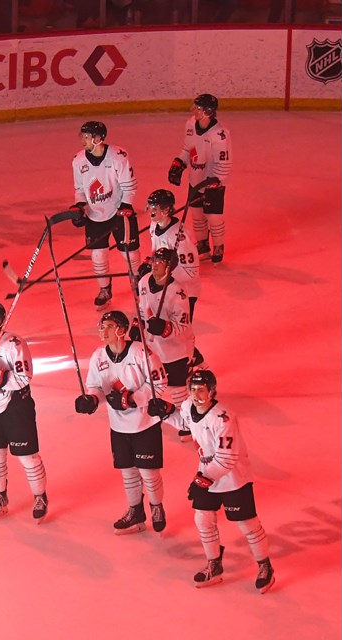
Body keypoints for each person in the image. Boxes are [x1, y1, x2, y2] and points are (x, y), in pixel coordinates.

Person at [148, 370, 275, 593]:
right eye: (193, 389)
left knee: (247, 524)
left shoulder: (223, 418)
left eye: (202, 390)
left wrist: (202, 481)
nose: (196, 394)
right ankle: (214, 564)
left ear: (212, 391)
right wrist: (167, 413)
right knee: (203, 519)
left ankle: (265, 565)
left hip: (234, 478)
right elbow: (186, 422)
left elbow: (227, 458)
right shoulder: (188, 406)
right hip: (207, 473)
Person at [74, 310, 168, 534]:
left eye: (108, 326)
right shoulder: (98, 356)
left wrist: (132, 399)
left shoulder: (140, 352)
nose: (103, 330)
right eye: (102, 326)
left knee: (148, 472)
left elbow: (160, 382)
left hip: (145, 423)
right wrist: (92, 399)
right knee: (128, 471)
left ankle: (156, 507)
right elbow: (95, 385)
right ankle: (135, 510)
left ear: (122, 330)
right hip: (118, 426)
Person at [0, 302, 49, 522]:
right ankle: (0, 497)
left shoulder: (14, 344)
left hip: (17, 406)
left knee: (27, 457)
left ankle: (40, 496)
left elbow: (25, 378)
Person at [68, 120, 140, 311]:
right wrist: (80, 207)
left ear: (98, 139)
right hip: (95, 216)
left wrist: (126, 206)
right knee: (98, 256)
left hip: (119, 212)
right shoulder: (78, 161)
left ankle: (138, 284)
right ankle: (105, 290)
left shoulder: (118, 157)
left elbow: (129, 186)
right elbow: (80, 189)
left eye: (87, 136)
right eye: (82, 136)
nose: (83, 140)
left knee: (129, 254)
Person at [133, 247, 196, 442]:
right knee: (150, 380)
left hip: (175, 348)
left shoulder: (178, 292)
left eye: (160, 262)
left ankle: (185, 421)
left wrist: (165, 328)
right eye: (154, 261)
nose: (155, 265)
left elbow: (183, 323)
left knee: (177, 387)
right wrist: (138, 326)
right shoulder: (144, 282)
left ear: (170, 268)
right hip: (152, 347)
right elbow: (141, 309)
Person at [144, 188, 206, 372]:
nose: (150, 211)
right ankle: (193, 359)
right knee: (166, 327)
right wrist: (150, 266)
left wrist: (169, 273)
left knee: (182, 329)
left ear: (166, 210)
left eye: (154, 207)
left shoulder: (181, 236)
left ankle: (192, 361)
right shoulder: (154, 226)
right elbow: (155, 252)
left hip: (185, 289)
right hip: (167, 285)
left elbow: (191, 271)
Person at [167, 94, 233, 264]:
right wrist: (179, 163)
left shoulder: (219, 135)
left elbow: (224, 162)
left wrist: (215, 181)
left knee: (213, 216)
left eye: (198, 108)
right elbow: (188, 149)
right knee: (196, 214)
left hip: (213, 183)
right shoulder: (190, 124)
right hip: (195, 180)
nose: (194, 111)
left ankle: (218, 247)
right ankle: (203, 246)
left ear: (208, 112)